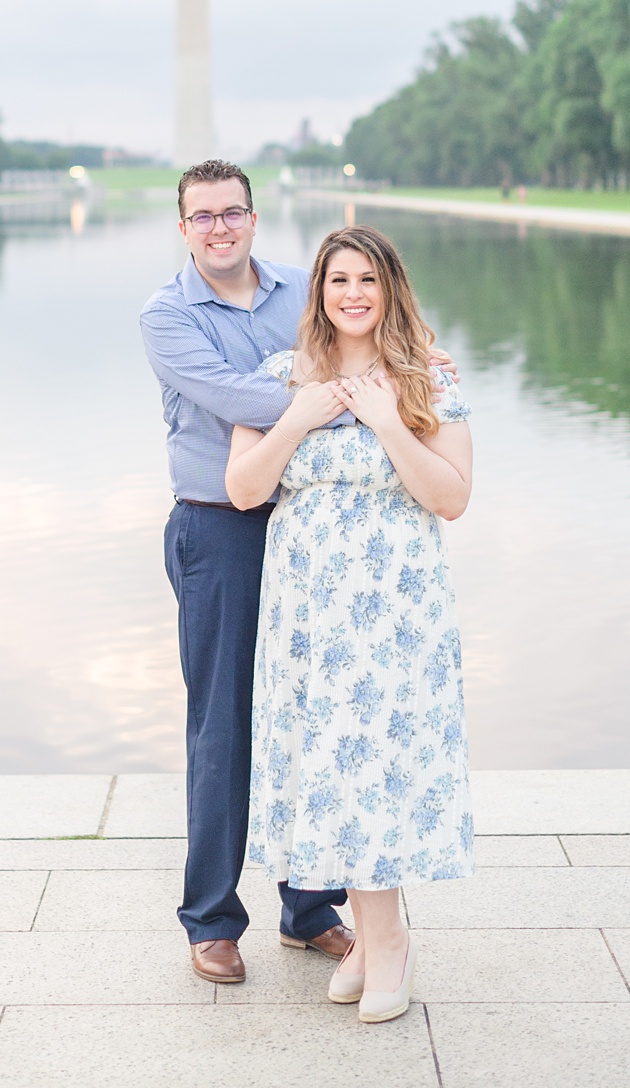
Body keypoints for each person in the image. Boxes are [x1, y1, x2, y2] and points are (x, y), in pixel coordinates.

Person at [224, 224, 474, 1024]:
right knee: (330, 767)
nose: (353, 294)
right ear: (320, 293)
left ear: (390, 287)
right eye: (339, 281)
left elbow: (451, 497)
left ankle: (390, 941)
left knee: (380, 764)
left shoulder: (424, 378)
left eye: (368, 279)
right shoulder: (277, 376)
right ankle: (369, 942)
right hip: (306, 612)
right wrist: (298, 416)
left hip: (394, 608)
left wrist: (390, 422)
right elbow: (243, 488)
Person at [139, 160, 353, 985]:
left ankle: (309, 908)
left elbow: (369, 344)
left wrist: (340, 384)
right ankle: (214, 920)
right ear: (183, 228)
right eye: (204, 217)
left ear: (255, 219)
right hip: (218, 531)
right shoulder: (166, 315)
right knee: (224, 725)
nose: (220, 227)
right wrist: (325, 396)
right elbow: (232, 397)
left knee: (309, 719)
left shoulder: (305, 288)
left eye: (233, 213)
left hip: (310, 526)